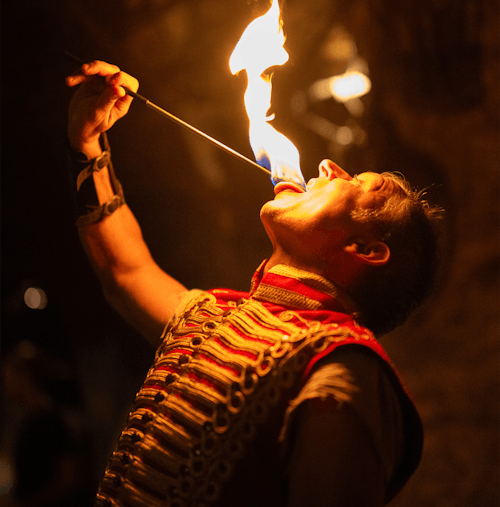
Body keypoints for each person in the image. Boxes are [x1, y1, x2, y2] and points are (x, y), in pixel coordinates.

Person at [66, 59, 441, 507]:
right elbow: (124, 272)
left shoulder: (342, 371)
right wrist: (89, 147)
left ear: (365, 249)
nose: (328, 166)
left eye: (361, 185)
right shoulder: (215, 315)